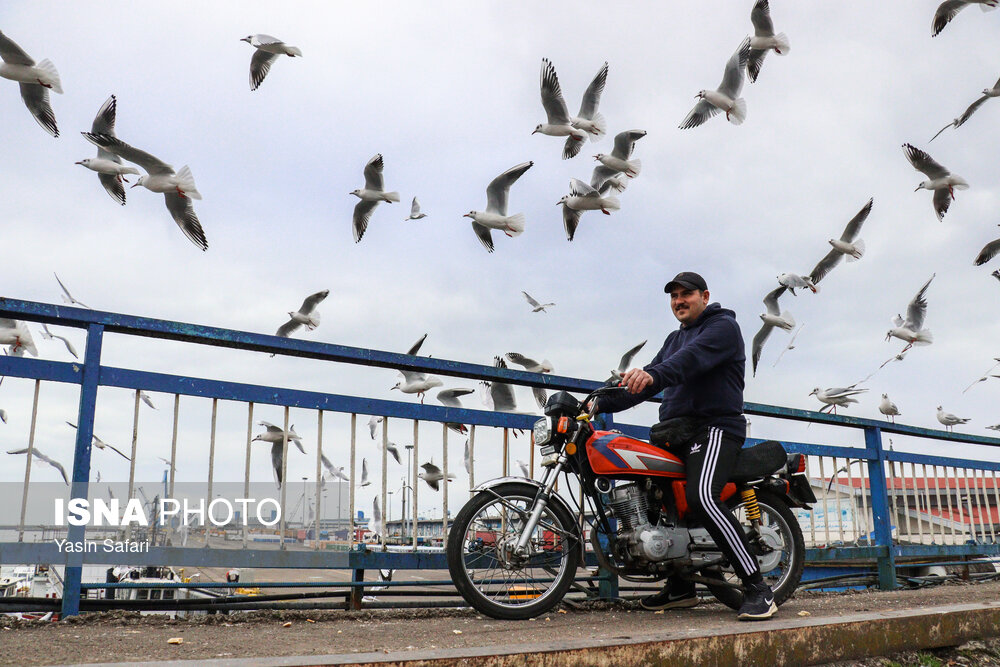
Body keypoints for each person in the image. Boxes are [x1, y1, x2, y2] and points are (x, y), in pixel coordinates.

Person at [595, 271, 777, 621]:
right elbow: (648, 381)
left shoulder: (723, 328)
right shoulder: (673, 339)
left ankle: (757, 588)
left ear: (704, 296)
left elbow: (687, 361)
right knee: (660, 503)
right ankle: (681, 588)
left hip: (715, 428)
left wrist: (655, 375)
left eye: (686, 294)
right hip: (675, 433)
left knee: (702, 497)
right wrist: (597, 403)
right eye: (673, 296)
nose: (679, 301)